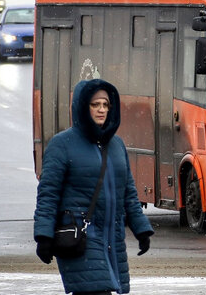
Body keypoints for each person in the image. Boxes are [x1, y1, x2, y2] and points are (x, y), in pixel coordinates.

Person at [34, 79, 154, 295]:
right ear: (82, 106)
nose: (101, 110)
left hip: (112, 237)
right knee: (96, 290)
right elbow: (48, 195)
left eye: (106, 105)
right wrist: (44, 236)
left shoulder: (116, 145)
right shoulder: (62, 144)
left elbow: (128, 193)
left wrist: (141, 229)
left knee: (103, 288)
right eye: (95, 104)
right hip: (80, 236)